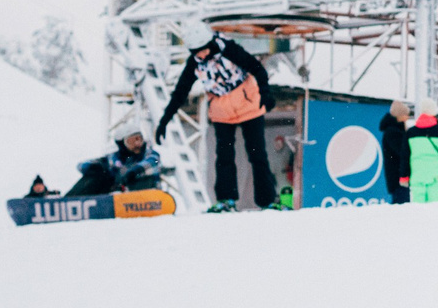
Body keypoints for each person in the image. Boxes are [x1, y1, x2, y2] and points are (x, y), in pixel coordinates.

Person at [160, 30, 280, 212]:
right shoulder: (195, 63)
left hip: (248, 105)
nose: (200, 55)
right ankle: (226, 199)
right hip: (222, 110)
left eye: (201, 50)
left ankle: (267, 201)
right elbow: (181, 91)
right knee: (224, 156)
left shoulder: (228, 49)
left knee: (257, 154)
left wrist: (265, 92)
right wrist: (165, 119)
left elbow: (256, 67)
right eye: (195, 52)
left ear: (209, 44)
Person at [67, 129, 160, 197]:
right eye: (131, 141)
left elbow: (152, 162)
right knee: (98, 174)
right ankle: (70, 199)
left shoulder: (149, 154)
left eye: (139, 139)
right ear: (122, 144)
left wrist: (134, 172)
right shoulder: (114, 159)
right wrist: (92, 167)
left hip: (145, 194)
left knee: (144, 177)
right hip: (116, 195)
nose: (137, 144)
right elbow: (81, 165)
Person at [402, 99, 438, 203]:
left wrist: (404, 176)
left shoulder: (411, 132)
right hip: (437, 176)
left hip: (417, 175)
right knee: (435, 208)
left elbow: (405, 156)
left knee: (419, 210)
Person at [379, 102, 415, 205]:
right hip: (398, 176)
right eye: (405, 114)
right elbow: (402, 151)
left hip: (398, 175)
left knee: (401, 204)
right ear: (399, 115)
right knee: (401, 206)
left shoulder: (395, 130)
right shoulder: (393, 131)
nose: (407, 117)